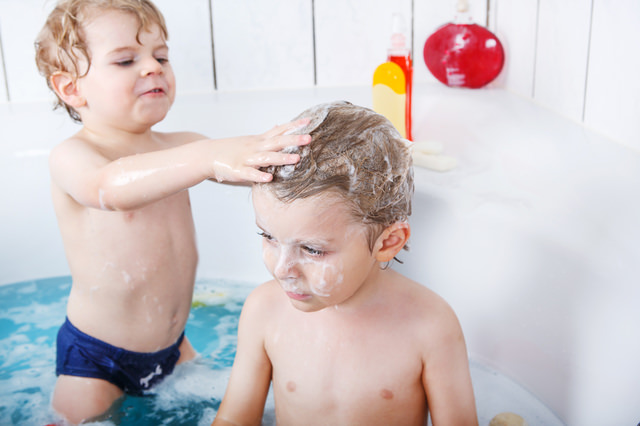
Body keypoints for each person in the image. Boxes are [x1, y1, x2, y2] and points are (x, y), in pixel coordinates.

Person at [34, 0, 310, 423]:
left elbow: (257, 163)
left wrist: (322, 151)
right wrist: (204, 156)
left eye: (161, 55)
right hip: (95, 359)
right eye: (127, 59)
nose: (153, 67)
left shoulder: (180, 146)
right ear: (71, 88)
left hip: (173, 348)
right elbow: (108, 188)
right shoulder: (73, 157)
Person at [212, 101, 478, 426]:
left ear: (388, 242)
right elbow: (234, 420)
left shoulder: (429, 326)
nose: (282, 269)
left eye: (312, 250)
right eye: (268, 236)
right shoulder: (264, 311)